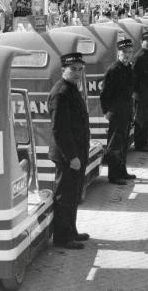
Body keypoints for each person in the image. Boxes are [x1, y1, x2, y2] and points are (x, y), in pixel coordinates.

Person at [48, 52, 91, 249]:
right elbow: (59, 129)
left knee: (73, 194)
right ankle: (62, 237)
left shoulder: (72, 88)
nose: (77, 73)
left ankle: (71, 231)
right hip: (67, 155)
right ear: (63, 69)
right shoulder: (61, 93)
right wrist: (72, 156)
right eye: (73, 69)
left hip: (76, 152)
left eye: (80, 69)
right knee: (64, 196)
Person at [100, 39, 136, 185]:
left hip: (126, 110)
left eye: (129, 52)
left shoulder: (129, 68)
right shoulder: (113, 70)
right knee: (115, 144)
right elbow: (104, 93)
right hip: (116, 112)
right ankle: (114, 175)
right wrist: (106, 112)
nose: (127, 55)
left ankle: (122, 171)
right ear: (118, 53)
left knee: (124, 143)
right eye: (124, 52)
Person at [133, 31, 148, 152]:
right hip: (142, 95)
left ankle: (146, 142)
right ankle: (140, 144)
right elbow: (133, 78)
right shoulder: (139, 57)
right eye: (147, 41)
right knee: (141, 121)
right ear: (141, 42)